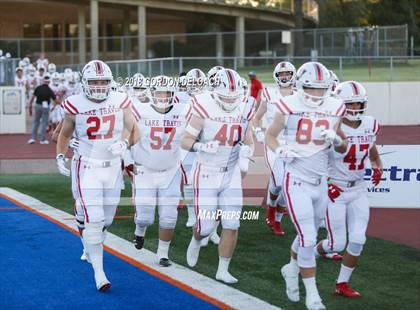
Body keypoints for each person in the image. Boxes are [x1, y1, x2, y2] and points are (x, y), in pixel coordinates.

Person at [265, 62, 348, 310]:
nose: (316, 94)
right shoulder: (289, 105)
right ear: (301, 86)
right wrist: (280, 149)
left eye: (321, 89)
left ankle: (291, 269)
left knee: (309, 232)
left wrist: (336, 140)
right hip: (296, 178)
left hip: (320, 181)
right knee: (309, 237)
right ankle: (313, 294)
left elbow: (342, 147)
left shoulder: (335, 107)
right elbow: (270, 134)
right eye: (311, 88)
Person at [56, 59, 138, 292]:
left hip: (112, 167)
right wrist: (60, 156)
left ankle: (87, 238)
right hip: (87, 166)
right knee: (95, 220)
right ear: (85, 82)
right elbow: (63, 135)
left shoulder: (121, 99)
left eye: (103, 81)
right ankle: (100, 274)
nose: (100, 85)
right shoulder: (74, 104)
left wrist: (124, 142)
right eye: (95, 81)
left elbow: (132, 128)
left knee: (107, 221)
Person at [181, 68, 256, 284]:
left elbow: (249, 140)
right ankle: (197, 239)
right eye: (225, 96)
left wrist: (246, 152)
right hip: (205, 172)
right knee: (204, 228)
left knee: (232, 224)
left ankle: (223, 269)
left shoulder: (245, 108)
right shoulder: (203, 106)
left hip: (230, 174)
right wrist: (201, 146)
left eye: (234, 96)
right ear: (215, 92)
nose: (230, 101)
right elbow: (185, 140)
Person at [315, 81, 382, 298]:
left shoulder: (370, 124)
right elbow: (315, 160)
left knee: (358, 239)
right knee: (337, 243)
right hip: (336, 190)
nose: (355, 109)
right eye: (350, 104)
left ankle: (341, 283)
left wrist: (377, 166)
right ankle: (308, 254)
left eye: (358, 104)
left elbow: (371, 149)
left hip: (359, 190)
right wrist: (326, 183)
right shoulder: (330, 126)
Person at [130, 75, 189, 267]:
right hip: (145, 170)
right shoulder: (139, 110)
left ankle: (163, 253)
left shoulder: (182, 112)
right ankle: (140, 231)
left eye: (167, 93)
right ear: (152, 93)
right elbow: (126, 134)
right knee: (145, 216)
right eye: (159, 92)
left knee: (169, 216)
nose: (163, 96)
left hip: (171, 170)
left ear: (173, 94)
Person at [253, 61, 296, 236]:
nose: (284, 77)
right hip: (273, 142)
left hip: (294, 145)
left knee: (289, 185)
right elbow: (256, 117)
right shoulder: (268, 93)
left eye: (287, 74)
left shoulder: (301, 95)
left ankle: (277, 219)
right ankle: (271, 208)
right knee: (280, 182)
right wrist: (257, 130)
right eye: (281, 74)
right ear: (276, 77)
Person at [28, 75, 58, 144]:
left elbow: (33, 97)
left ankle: (32, 138)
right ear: (49, 82)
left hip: (37, 105)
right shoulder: (49, 90)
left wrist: (30, 105)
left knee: (36, 122)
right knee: (44, 123)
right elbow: (55, 100)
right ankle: (42, 139)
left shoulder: (38, 88)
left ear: (43, 81)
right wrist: (62, 103)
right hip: (45, 107)